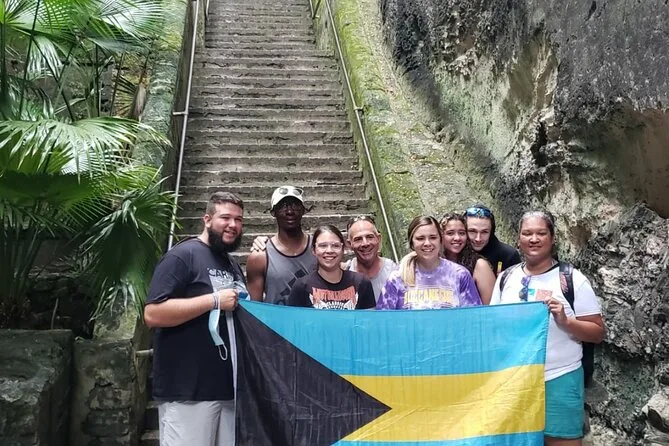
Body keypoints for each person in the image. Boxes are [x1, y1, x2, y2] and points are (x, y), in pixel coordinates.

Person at [490, 211, 605, 446]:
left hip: (558, 377)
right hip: (515, 378)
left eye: (541, 233)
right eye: (527, 233)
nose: (534, 239)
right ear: (518, 238)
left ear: (552, 238)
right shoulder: (506, 278)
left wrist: (566, 322)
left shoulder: (572, 279)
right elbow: (493, 325)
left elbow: (597, 332)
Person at [143, 192, 246, 446]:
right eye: (225, 218)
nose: (233, 225)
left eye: (238, 220)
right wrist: (213, 300)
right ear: (207, 219)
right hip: (188, 390)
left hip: (227, 388)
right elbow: (153, 313)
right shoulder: (182, 256)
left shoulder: (231, 264)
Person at [376, 216, 482, 310]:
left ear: (440, 240)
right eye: (420, 238)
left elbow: (474, 318)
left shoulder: (459, 275)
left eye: (433, 238)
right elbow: (383, 320)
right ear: (412, 243)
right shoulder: (397, 279)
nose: (427, 243)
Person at [246, 185, 317, 305]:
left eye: (295, 205)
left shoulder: (319, 248)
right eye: (283, 206)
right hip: (275, 317)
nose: (290, 211)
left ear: (303, 210)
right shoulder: (260, 257)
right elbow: (255, 307)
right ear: (273, 212)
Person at [288, 225, 375, 309]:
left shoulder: (361, 282)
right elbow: (292, 318)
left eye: (335, 246)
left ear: (343, 249)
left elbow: (369, 317)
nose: (329, 250)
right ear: (314, 250)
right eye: (323, 246)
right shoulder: (301, 286)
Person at [440, 212, 497, 304]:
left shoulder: (479, 265)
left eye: (462, 233)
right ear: (440, 236)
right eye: (450, 233)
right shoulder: (434, 264)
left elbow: (491, 306)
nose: (457, 238)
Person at [343, 215, 397, 301]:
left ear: (378, 239)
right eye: (358, 239)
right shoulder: (344, 274)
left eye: (369, 237)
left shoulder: (394, 271)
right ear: (350, 244)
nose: (365, 243)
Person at [464, 204, 521, 275]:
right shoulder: (455, 252)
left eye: (484, 232)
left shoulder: (508, 255)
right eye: (472, 231)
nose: (478, 239)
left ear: (491, 232)